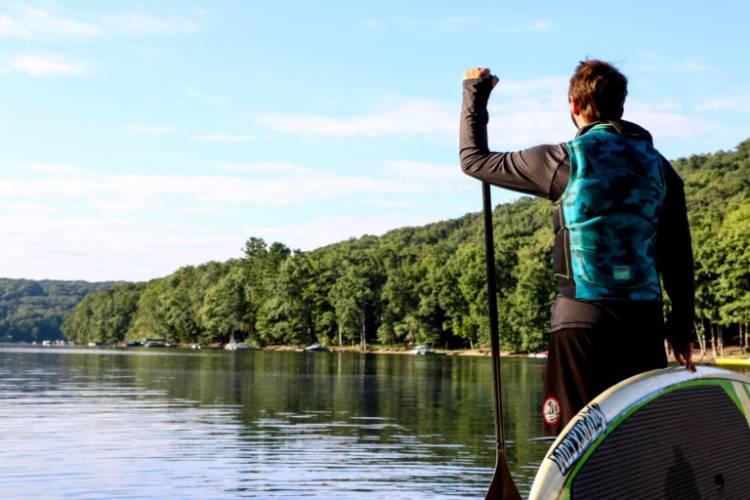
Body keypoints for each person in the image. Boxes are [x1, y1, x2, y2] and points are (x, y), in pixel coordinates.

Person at [460, 60, 696, 435]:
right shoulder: (662, 170)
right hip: (643, 325)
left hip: (582, 321)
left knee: (574, 444)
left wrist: (476, 91)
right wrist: (682, 326)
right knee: (637, 443)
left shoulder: (563, 159)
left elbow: (474, 160)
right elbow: (678, 256)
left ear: (574, 105)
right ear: (622, 103)